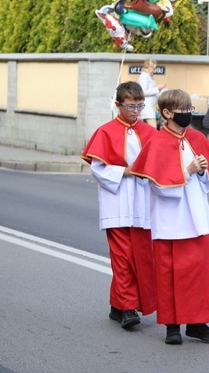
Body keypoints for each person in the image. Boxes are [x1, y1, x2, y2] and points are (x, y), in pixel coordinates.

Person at [130, 89, 209, 345]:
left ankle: (197, 323)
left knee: (199, 274)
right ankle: (172, 327)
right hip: (170, 219)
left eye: (189, 110)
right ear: (167, 113)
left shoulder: (195, 137)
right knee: (170, 274)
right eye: (183, 111)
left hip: (197, 216)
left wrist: (203, 172)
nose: (187, 115)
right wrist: (189, 170)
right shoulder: (156, 142)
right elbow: (158, 186)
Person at [81, 81, 157, 330]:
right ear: (117, 105)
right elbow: (98, 169)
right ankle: (128, 308)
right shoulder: (105, 132)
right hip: (117, 202)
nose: (136, 111)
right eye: (131, 106)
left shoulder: (149, 132)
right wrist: (127, 171)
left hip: (143, 204)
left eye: (140, 106)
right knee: (123, 258)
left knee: (140, 258)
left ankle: (117, 304)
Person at [138, 58, 165, 127]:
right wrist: (157, 89)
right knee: (153, 128)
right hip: (147, 107)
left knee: (148, 129)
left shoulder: (148, 76)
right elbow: (143, 92)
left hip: (150, 107)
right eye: (153, 68)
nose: (154, 70)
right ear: (148, 67)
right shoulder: (144, 76)